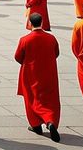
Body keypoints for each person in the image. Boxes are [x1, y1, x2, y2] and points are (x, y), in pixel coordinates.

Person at [14, 13, 61, 141]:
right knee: (49, 99)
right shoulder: (51, 38)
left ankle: (36, 125)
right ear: (42, 22)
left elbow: (18, 57)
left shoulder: (25, 39)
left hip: (30, 73)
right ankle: (50, 121)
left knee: (31, 98)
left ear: (30, 23)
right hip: (48, 73)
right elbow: (56, 53)